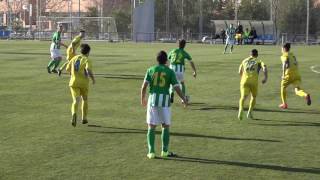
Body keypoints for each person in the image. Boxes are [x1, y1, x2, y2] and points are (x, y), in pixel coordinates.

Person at [140, 50, 187, 159]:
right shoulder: (170, 72)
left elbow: (144, 86)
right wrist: (183, 98)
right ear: (166, 60)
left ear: (157, 60)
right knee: (165, 126)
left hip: (152, 101)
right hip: (165, 102)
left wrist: (142, 98)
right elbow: (176, 87)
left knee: (151, 126)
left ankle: (151, 152)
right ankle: (164, 151)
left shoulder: (150, 70)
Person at [66, 44, 95, 127]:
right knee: (84, 99)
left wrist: (72, 74)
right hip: (83, 83)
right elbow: (88, 69)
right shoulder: (87, 60)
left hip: (73, 82)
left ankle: (74, 114)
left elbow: (67, 68)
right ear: (88, 52)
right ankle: (84, 118)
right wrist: (93, 79)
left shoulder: (74, 58)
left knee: (75, 100)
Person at [279, 43, 311, 109]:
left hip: (289, 74)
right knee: (297, 90)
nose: (281, 49)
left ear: (284, 49)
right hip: (296, 74)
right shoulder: (292, 54)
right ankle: (305, 95)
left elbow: (284, 64)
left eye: (282, 48)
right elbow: (296, 63)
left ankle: (284, 104)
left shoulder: (284, 55)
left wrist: (283, 74)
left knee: (283, 87)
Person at [238, 49, 268, 120]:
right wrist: (265, 77)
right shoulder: (259, 61)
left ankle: (240, 109)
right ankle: (249, 112)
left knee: (243, 97)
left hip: (244, 81)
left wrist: (243, 78)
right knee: (253, 97)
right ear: (257, 55)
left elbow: (239, 71)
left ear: (250, 54)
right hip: (253, 82)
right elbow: (265, 68)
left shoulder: (244, 60)